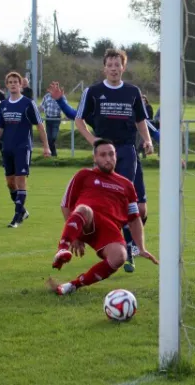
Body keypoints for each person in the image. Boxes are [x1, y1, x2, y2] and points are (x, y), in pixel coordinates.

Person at [66, 48, 154, 274]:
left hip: (127, 150)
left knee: (141, 209)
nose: (114, 69)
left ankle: (128, 242)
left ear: (123, 67)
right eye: (110, 65)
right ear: (104, 68)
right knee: (120, 201)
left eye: (118, 65)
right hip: (106, 152)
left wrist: (147, 141)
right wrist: (93, 141)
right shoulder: (93, 91)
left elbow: (141, 120)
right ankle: (127, 248)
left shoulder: (133, 91)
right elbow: (79, 120)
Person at [47, 139, 159, 296]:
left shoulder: (126, 185)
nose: (108, 158)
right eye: (103, 155)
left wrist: (141, 248)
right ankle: (62, 251)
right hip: (86, 221)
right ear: (95, 158)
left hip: (109, 230)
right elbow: (66, 205)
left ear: (116, 156)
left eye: (111, 154)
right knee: (84, 209)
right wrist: (75, 237)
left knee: (120, 256)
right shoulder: (84, 175)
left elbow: (134, 219)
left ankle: (74, 285)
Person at [0, 71, 51, 228]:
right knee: (10, 183)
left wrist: (46, 146)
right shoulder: (3, 105)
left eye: (15, 82)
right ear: (7, 85)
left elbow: (39, 125)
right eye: (10, 82)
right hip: (7, 148)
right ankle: (22, 210)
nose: (12, 84)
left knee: (20, 180)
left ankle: (17, 217)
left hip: (23, 148)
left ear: (20, 85)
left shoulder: (27, 103)